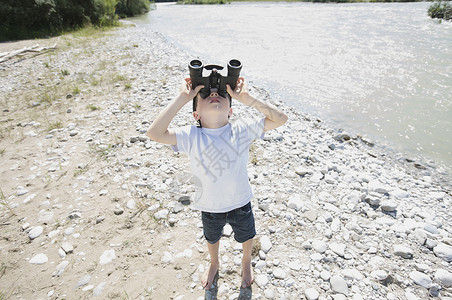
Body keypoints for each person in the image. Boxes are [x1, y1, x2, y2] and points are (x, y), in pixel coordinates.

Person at [147, 75, 288, 293]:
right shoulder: (192, 135)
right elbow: (154, 133)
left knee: (247, 235)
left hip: (241, 202)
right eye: (205, 94)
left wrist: (248, 98)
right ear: (196, 114)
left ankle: (246, 260)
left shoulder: (240, 130)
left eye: (222, 94)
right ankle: (214, 262)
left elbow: (281, 119)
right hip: (209, 207)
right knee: (211, 238)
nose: (214, 94)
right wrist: (183, 98)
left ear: (230, 111)